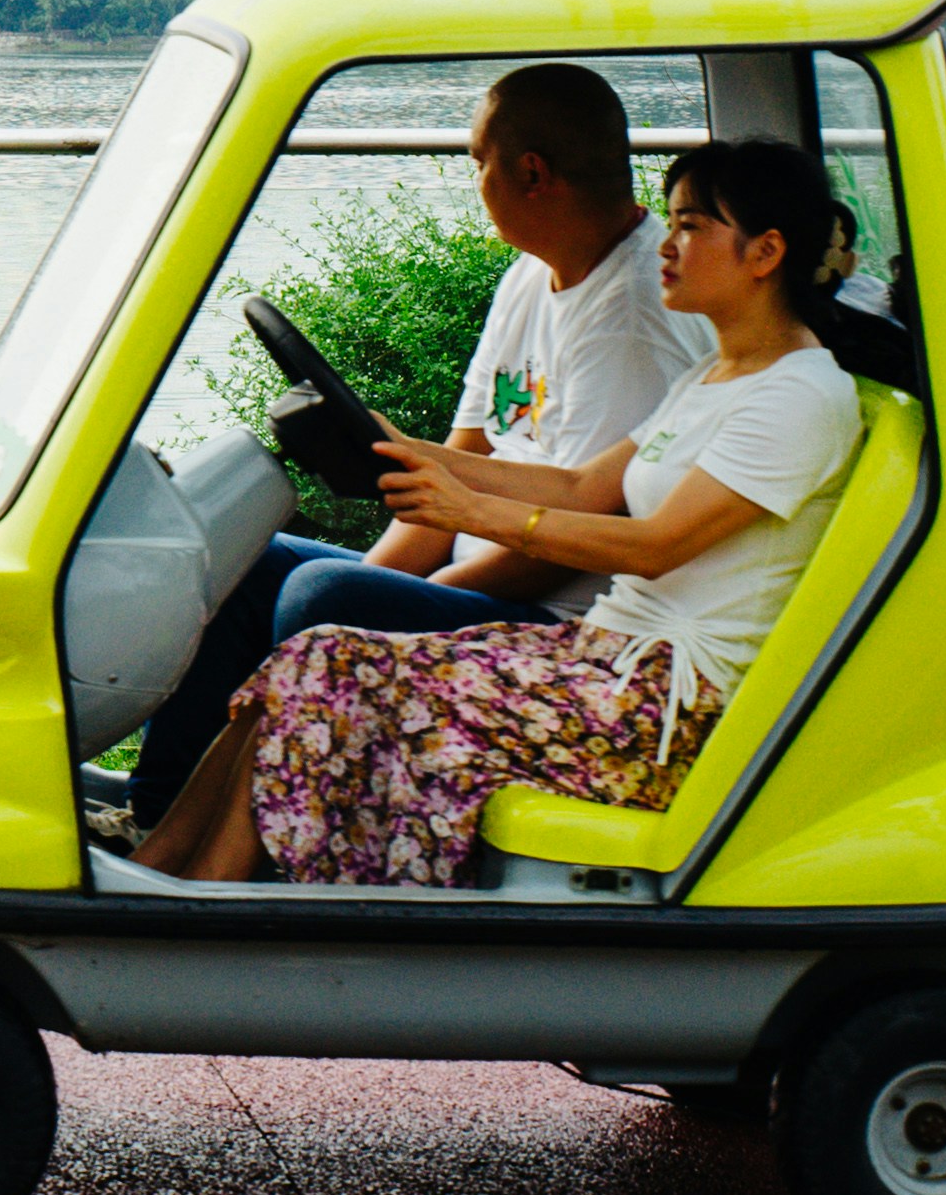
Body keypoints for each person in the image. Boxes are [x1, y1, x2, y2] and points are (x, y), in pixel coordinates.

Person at [124, 135, 881, 898]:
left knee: (329, 659)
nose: (668, 243)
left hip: (657, 711)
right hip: (601, 661)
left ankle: (212, 895)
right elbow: (583, 486)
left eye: (692, 226)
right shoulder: (714, 375)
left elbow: (656, 545)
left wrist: (474, 510)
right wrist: (409, 449)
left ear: (765, 252)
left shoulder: (799, 394)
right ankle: (158, 872)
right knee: (308, 660)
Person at [112, 60, 693, 841]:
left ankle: (266, 837)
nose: (474, 179)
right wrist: (375, 578)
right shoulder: (530, 277)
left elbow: (564, 541)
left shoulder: (633, 320)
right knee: (245, 557)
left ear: (531, 172)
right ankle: (152, 819)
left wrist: (388, 594)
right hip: (482, 580)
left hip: (553, 612)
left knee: (324, 600)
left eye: (478, 162)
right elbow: (443, 472)